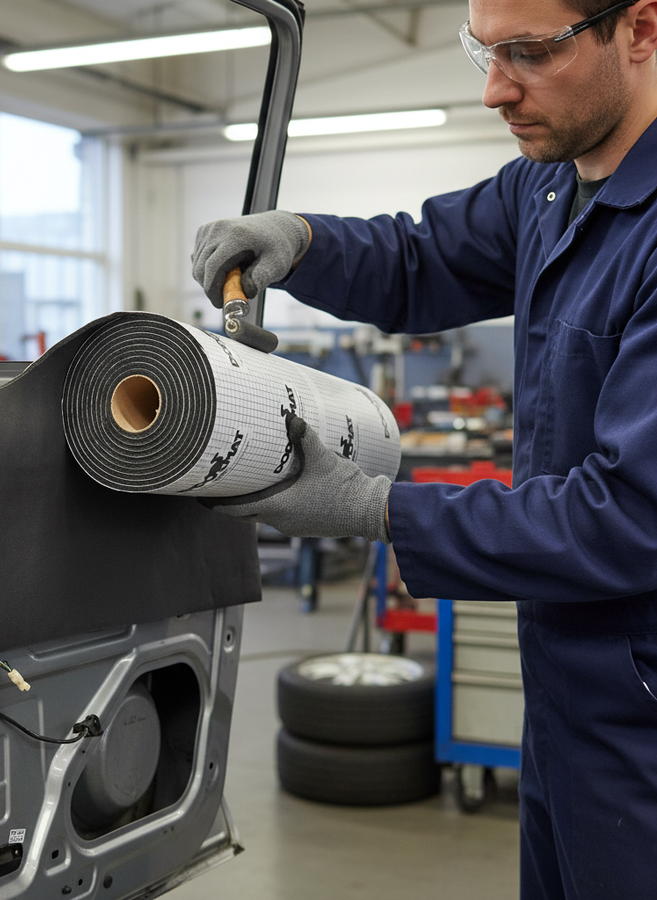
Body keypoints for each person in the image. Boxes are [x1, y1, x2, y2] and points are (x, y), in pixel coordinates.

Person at [191, 1, 657, 897]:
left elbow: (630, 516)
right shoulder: (548, 186)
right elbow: (418, 259)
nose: (494, 89)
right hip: (564, 687)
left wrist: (376, 507)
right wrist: (306, 241)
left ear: (639, 29)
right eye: (483, 50)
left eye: (529, 53)